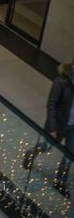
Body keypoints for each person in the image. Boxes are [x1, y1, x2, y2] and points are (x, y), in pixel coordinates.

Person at [47, 63, 74, 197]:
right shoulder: (61, 81)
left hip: (72, 127)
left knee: (69, 155)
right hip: (58, 124)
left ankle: (59, 182)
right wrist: (52, 127)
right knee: (45, 147)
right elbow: (52, 104)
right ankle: (30, 154)